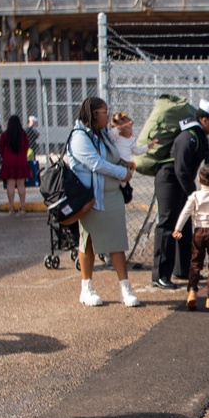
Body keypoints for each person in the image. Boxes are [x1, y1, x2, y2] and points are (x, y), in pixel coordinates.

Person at [66, 97, 141, 308]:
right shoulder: (79, 137)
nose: (108, 116)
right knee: (88, 241)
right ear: (92, 114)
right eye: (104, 112)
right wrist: (121, 172)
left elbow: (113, 156)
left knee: (117, 241)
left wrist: (124, 164)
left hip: (112, 195)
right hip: (91, 199)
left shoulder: (102, 135)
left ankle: (126, 289)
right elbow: (95, 163)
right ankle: (86, 288)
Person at [151, 99, 209, 290]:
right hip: (169, 181)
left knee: (184, 226)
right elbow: (180, 169)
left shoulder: (199, 135)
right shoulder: (188, 136)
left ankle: (183, 269)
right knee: (167, 225)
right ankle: (160, 275)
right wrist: (194, 196)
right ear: (204, 119)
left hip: (181, 183)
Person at [172, 164, 209, 312]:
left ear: (199, 181)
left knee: (195, 263)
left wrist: (177, 228)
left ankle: (192, 291)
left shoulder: (195, 196)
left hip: (198, 231)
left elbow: (186, 212)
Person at [0, 115, 31, 216]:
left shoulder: (5, 134)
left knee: (10, 184)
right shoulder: (23, 134)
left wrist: (5, 156)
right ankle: (23, 206)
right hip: (21, 160)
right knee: (21, 184)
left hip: (9, 161)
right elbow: (26, 146)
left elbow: (0, 148)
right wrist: (22, 155)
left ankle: (11, 207)